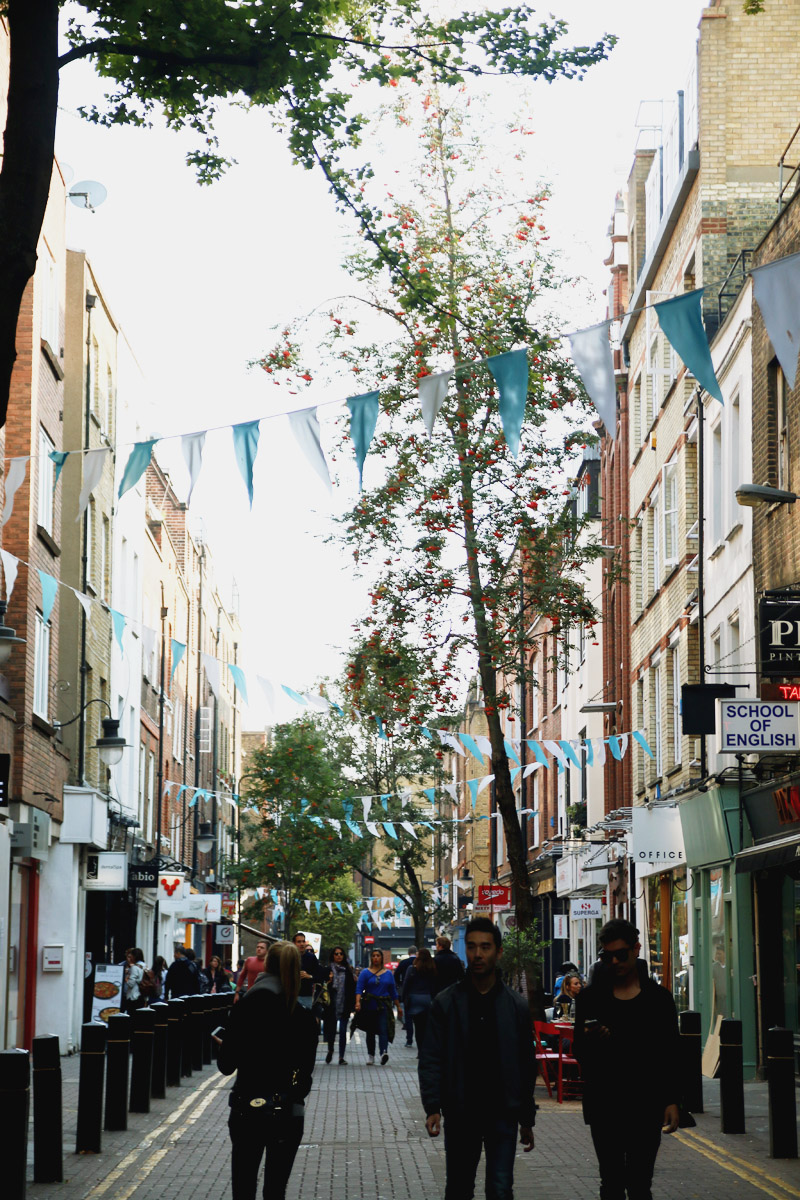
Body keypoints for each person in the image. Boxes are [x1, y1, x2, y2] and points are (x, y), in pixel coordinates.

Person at [420, 917, 535, 1200]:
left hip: (502, 1112)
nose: (478, 954)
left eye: (485, 947)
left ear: (499, 951)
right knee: (458, 1189)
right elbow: (431, 1056)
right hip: (461, 1112)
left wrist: (526, 1118)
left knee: (500, 1189)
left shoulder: (516, 1006)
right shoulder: (446, 1003)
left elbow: (525, 1063)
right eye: (471, 947)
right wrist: (432, 1105)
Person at [573, 919, 681, 1200]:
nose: (615, 961)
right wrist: (592, 1040)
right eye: (607, 956)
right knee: (610, 1182)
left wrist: (671, 1100)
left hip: (645, 1104)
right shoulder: (590, 999)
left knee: (640, 1183)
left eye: (621, 954)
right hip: (605, 1103)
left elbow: (670, 1052)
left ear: (636, 949)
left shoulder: (659, 1000)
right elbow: (578, 1053)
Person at [218, 940, 318, 1200]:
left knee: (243, 1186)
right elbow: (304, 1076)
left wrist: (229, 1046)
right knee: (275, 1190)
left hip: (246, 1107)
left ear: (266, 966)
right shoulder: (303, 1016)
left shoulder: (245, 1008)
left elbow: (226, 1064)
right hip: (286, 1110)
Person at [355, 948, 399, 1066]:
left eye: (378, 956)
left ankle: (383, 1052)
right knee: (370, 1031)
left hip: (383, 1005)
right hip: (369, 1004)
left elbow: (393, 991)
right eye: (373, 956)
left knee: (383, 1029)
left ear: (381, 958)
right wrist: (358, 1002)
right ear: (371, 958)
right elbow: (359, 988)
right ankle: (371, 1055)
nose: (375, 958)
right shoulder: (365, 973)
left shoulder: (388, 974)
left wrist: (399, 1007)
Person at [323, 946, 356, 1065]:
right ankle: (330, 1050)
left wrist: (353, 1005)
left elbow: (352, 989)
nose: (338, 956)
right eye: (336, 954)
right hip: (331, 1004)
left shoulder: (348, 971)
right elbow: (323, 986)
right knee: (331, 1031)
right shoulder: (328, 970)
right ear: (333, 955)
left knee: (343, 1031)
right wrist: (328, 981)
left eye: (341, 954)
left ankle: (341, 1056)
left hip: (344, 1004)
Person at [401, 947, 438, 1052]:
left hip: (414, 999)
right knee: (425, 1026)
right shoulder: (432, 969)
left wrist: (403, 998)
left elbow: (406, 984)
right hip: (427, 999)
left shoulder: (412, 969)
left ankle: (420, 1049)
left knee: (418, 1026)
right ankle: (426, 1048)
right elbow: (434, 986)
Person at [393, 946, 418, 1047]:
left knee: (408, 1017)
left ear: (408, 953)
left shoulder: (403, 963)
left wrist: (400, 984)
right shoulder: (420, 962)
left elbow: (396, 974)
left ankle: (409, 1039)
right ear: (415, 953)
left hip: (407, 991)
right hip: (419, 992)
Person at [292, 932, 323, 1011]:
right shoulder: (289, 956)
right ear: (294, 943)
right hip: (291, 995)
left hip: (306, 996)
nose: (302, 944)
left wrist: (309, 976)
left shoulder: (311, 958)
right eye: (299, 942)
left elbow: (320, 977)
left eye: (303, 941)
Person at [123, 947, 145, 1011]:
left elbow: (131, 984)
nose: (130, 958)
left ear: (135, 956)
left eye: (131, 956)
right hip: (141, 995)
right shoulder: (144, 966)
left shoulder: (134, 968)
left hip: (133, 997)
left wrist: (126, 979)